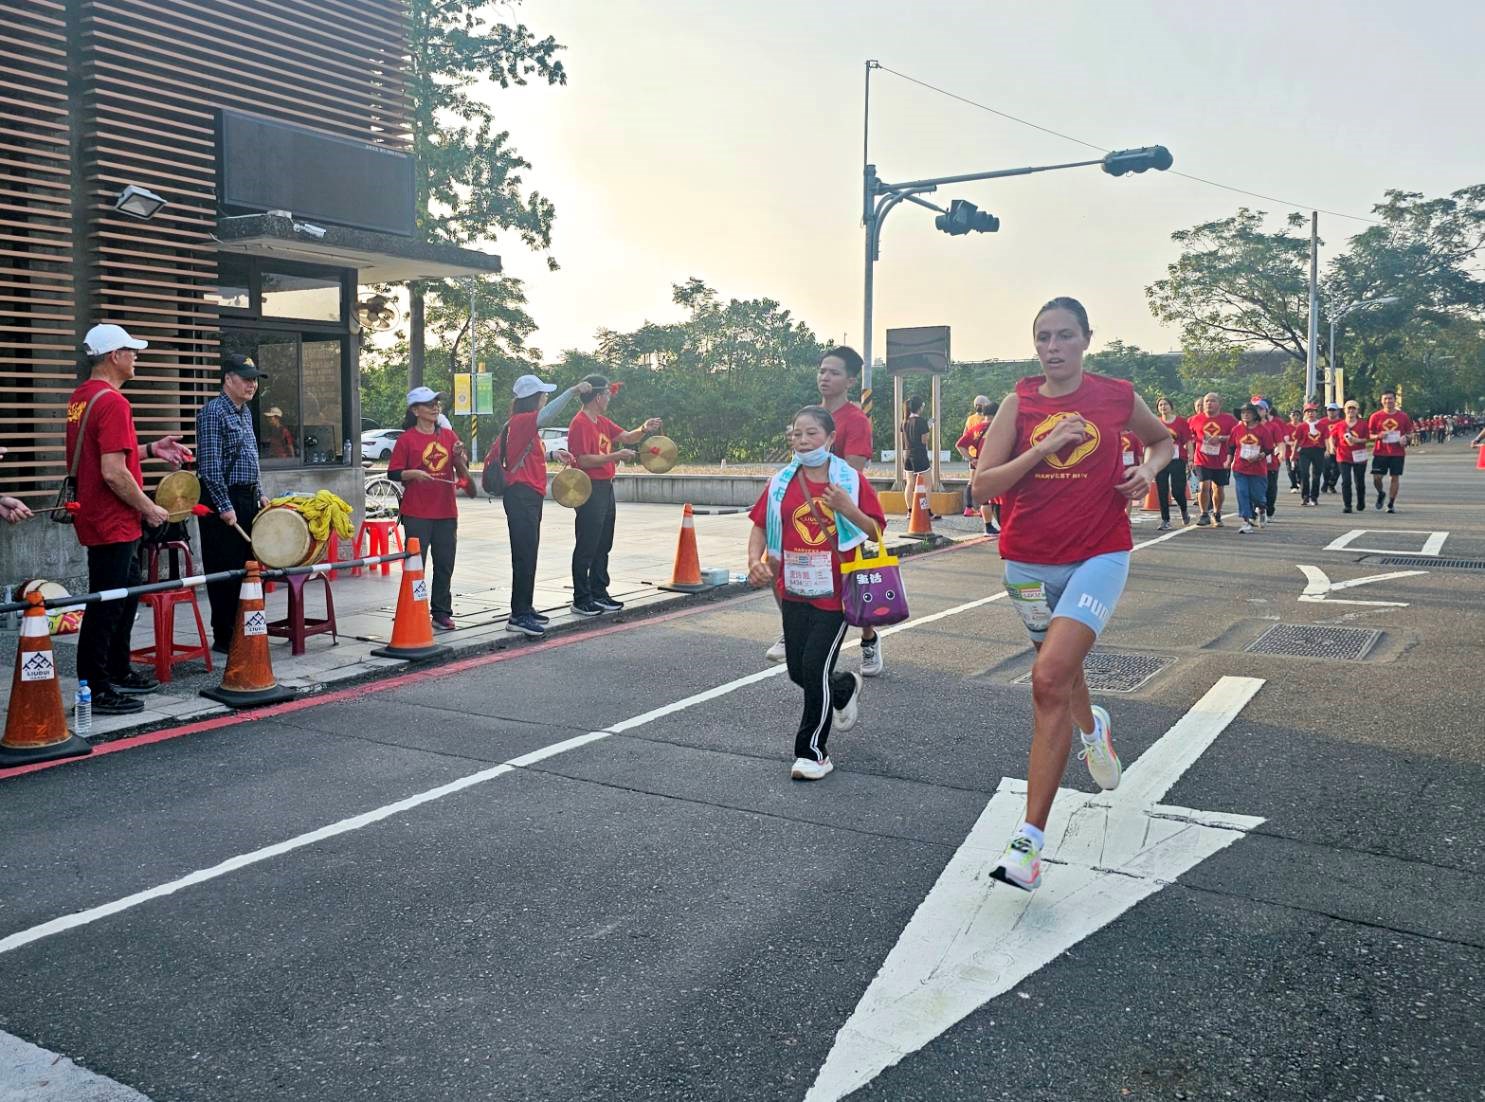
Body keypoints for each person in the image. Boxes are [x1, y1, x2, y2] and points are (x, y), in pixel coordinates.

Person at [971, 297, 1174, 892]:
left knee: (1047, 677)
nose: (1052, 347)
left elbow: (1163, 442)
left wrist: (1149, 470)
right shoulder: (1018, 403)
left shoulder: (1115, 395)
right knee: (1059, 674)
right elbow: (982, 484)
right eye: (1042, 337)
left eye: (1064, 336)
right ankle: (1093, 730)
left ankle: (1028, 844)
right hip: (1027, 559)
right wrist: (1042, 446)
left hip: (1099, 552)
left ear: (1087, 338)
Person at [747, 405, 885, 781]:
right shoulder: (780, 482)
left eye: (811, 433)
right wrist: (753, 560)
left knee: (813, 667)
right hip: (792, 590)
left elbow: (875, 531)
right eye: (797, 434)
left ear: (829, 438)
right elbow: (760, 525)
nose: (803, 440)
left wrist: (847, 508)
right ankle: (843, 687)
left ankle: (813, 752)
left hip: (836, 593)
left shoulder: (850, 481)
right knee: (798, 670)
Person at [67, 324, 192, 715]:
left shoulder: (83, 398)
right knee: (107, 602)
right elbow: (113, 472)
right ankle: (97, 686)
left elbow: (107, 453)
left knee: (124, 594)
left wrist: (151, 448)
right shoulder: (114, 402)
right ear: (113, 356)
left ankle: (117, 669)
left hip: (97, 515)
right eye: (131, 351)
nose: (136, 357)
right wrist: (149, 508)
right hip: (114, 518)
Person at [813, 346, 885, 677]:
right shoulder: (812, 416)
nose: (825, 377)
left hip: (844, 512)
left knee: (853, 588)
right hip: (810, 513)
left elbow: (851, 474)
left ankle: (868, 639)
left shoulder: (856, 421)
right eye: (822, 371)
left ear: (850, 380)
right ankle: (796, 635)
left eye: (834, 372)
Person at [567, 374, 662, 616]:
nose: (609, 398)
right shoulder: (580, 423)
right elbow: (583, 460)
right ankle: (581, 598)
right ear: (598, 397)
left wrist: (644, 429)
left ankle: (599, 592)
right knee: (587, 543)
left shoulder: (601, 421)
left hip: (605, 486)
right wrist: (615, 457)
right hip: (589, 487)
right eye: (607, 394)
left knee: (603, 543)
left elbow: (627, 437)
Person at [196, 353, 271, 653]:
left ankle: (248, 627)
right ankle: (225, 636)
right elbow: (210, 466)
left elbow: (251, 457)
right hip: (220, 499)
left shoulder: (245, 412)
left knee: (249, 566)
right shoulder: (213, 412)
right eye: (245, 378)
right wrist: (224, 506)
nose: (251, 384)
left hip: (247, 496)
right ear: (228, 379)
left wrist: (260, 491)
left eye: (254, 379)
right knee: (225, 570)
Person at [498, 374, 580, 638]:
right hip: (521, 495)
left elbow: (526, 453)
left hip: (528, 495)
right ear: (533, 398)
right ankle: (518, 614)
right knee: (524, 554)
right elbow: (547, 416)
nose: (545, 398)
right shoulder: (523, 421)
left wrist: (552, 454)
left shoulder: (525, 427)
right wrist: (572, 390)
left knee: (529, 553)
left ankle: (526, 607)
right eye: (543, 394)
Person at [387, 387, 475, 631]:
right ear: (415, 410)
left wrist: (458, 456)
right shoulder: (406, 439)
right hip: (417, 512)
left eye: (437, 403)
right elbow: (393, 472)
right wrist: (414, 473)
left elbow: (462, 468)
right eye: (428, 404)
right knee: (416, 565)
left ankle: (441, 612)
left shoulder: (447, 435)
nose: (435, 407)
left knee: (445, 563)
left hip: (446, 510)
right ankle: (413, 608)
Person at [1187, 392, 1237, 527]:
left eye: (1213, 401)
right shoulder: (1194, 420)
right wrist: (1190, 457)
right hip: (1202, 459)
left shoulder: (1229, 420)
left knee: (1218, 488)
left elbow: (1236, 437)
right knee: (1204, 486)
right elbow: (1188, 439)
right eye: (1207, 401)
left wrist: (1220, 438)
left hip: (1221, 460)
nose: (1209, 403)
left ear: (1220, 404)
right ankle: (1204, 514)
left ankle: (1217, 513)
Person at [956, 398, 1000, 534]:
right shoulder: (1001, 428)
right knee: (1000, 498)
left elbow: (959, 445)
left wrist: (971, 459)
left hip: (980, 465)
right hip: (997, 466)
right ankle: (1004, 527)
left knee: (986, 499)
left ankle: (988, 527)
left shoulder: (976, 429)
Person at [1368, 388, 1413, 513]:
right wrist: (1378, 436)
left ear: (1395, 400)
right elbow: (1369, 435)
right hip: (1380, 452)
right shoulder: (1375, 416)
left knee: (1394, 478)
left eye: (1390, 398)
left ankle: (1391, 503)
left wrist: (1406, 438)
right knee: (1377, 478)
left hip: (1397, 453)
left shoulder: (1403, 416)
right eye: (1385, 399)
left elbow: (1410, 433)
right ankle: (1381, 493)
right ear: (1382, 401)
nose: (1388, 401)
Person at [1227, 404, 1271, 534]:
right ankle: (1246, 522)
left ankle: (1262, 510)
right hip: (1240, 468)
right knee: (1242, 494)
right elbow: (1231, 446)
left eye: (1248, 412)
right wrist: (1228, 460)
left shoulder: (1263, 430)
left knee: (1258, 497)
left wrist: (1260, 455)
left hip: (1258, 469)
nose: (1245, 415)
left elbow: (1269, 449)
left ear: (1254, 415)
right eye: (1243, 413)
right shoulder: (1236, 429)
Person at [1152, 395, 1190, 530]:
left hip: (1177, 459)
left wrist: (1190, 459)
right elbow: (1151, 442)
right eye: (1160, 405)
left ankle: (1184, 508)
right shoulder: (1155, 422)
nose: (1163, 407)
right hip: (1160, 459)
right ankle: (1165, 520)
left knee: (1177, 490)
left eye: (1165, 404)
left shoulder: (1180, 422)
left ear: (1171, 407)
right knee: (1162, 490)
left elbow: (1188, 441)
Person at [1330, 400, 1371, 513]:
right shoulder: (1339, 425)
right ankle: (1347, 505)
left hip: (1359, 455)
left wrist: (1357, 440)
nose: (1351, 411)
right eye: (1349, 408)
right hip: (1343, 455)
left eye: (1353, 408)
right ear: (1345, 410)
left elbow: (1368, 438)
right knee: (1346, 481)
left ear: (1357, 410)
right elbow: (1332, 437)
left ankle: (1361, 501)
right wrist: (1332, 446)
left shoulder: (1363, 424)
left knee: (1359, 481)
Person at [900, 395, 932, 512]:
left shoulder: (905, 421)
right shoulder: (921, 421)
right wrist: (928, 428)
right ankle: (926, 511)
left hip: (908, 455)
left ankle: (910, 511)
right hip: (920, 455)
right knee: (928, 484)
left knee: (910, 484)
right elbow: (924, 440)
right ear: (920, 407)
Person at [1295, 403, 1327, 505]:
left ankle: (1314, 497)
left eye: (1312, 411)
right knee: (1304, 473)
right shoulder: (1301, 426)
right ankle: (1305, 496)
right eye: (1308, 412)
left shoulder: (1322, 425)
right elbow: (1297, 440)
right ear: (1305, 413)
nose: (1311, 413)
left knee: (1316, 475)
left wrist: (1328, 449)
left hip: (1318, 450)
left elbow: (1326, 438)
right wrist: (1292, 453)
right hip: (1305, 451)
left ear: (1316, 413)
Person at [1285, 409, 1303, 493]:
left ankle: (1299, 480)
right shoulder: (1286, 426)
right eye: (1293, 415)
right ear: (1290, 416)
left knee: (1299, 468)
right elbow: (1284, 439)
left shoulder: (1303, 426)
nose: (1295, 417)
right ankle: (1294, 485)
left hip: (1300, 451)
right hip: (1289, 451)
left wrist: (1299, 445)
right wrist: (1291, 443)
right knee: (1290, 469)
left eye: (1297, 415)